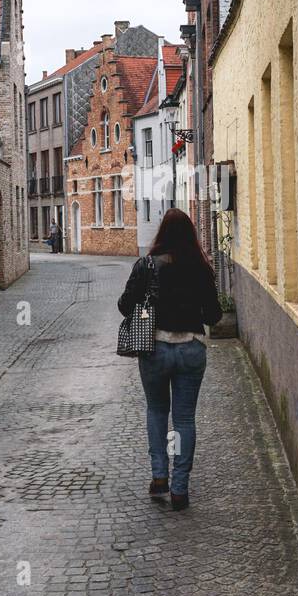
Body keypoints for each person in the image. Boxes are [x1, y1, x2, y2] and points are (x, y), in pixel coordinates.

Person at [117, 208, 222, 511]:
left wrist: (147, 306)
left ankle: (159, 476)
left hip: (154, 348)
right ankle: (179, 489)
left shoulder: (147, 265)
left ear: (161, 233)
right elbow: (214, 315)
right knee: (185, 419)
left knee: (157, 410)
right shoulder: (201, 267)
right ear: (191, 234)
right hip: (191, 348)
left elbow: (125, 306)